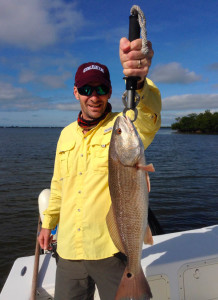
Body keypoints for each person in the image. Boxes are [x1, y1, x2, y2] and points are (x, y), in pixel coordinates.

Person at [38, 37, 161, 300]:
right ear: (75, 92)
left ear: (109, 92)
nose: (94, 97)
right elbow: (58, 185)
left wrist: (139, 82)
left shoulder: (124, 124)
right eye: (86, 90)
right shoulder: (65, 135)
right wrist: (48, 224)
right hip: (69, 251)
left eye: (101, 89)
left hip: (110, 250)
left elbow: (149, 119)